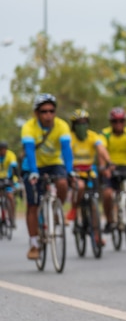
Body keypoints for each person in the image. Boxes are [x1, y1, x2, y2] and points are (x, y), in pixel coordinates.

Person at [20, 94, 73, 260]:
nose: (48, 115)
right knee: (33, 204)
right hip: (32, 166)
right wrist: (34, 171)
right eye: (44, 111)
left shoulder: (62, 126)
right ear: (37, 113)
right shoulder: (28, 127)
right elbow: (29, 151)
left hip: (54, 163)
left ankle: (57, 210)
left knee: (63, 183)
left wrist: (70, 170)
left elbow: (66, 150)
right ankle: (34, 244)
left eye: (51, 111)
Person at [66, 109, 112, 245]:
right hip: (75, 174)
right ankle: (74, 209)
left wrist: (108, 161)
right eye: (79, 123)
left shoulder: (93, 136)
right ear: (74, 125)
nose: (82, 126)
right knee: (79, 186)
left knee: (94, 203)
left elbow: (101, 149)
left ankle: (97, 235)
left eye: (85, 122)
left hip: (90, 173)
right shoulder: (69, 138)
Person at [0, 141, 19, 228]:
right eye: (1, 150)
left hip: (9, 178)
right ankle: (2, 216)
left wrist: (16, 179)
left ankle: (12, 218)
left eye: (4, 149)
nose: (3, 151)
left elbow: (14, 167)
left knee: (10, 197)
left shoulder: (10, 155)